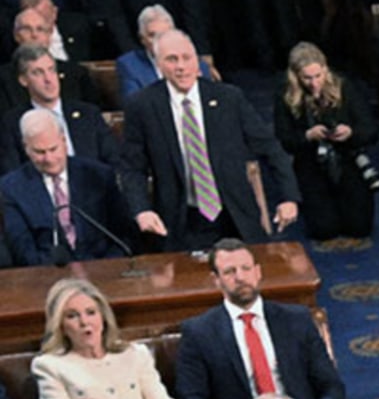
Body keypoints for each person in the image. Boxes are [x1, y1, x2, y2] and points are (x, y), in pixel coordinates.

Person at [118, 30, 297, 249]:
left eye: (187, 58)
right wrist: (141, 210)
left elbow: (270, 149)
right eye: (172, 59)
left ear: (197, 60)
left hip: (235, 214)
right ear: (159, 64)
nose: (181, 67)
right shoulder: (142, 106)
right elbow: (131, 168)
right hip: (179, 221)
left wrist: (288, 197)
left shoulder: (229, 98)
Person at [174, 241, 347, 399]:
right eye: (229, 272)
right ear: (216, 280)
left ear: (258, 272)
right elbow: (190, 395)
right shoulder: (199, 332)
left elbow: (330, 383)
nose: (240, 277)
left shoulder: (296, 319)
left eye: (246, 269)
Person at [31, 280, 184, 399]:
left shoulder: (135, 354)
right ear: (61, 326)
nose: (84, 322)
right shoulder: (50, 366)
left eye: (91, 313)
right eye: (72, 316)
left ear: (103, 317)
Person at [272, 43, 379, 243]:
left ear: (325, 70)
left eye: (318, 76)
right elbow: (283, 140)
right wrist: (307, 136)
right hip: (310, 165)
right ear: (296, 76)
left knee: (359, 227)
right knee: (324, 230)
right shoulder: (285, 97)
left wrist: (351, 133)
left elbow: (371, 130)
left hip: (348, 160)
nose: (314, 83)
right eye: (307, 78)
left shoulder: (345, 87)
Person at [2, 111, 129, 266]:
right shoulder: (11, 188)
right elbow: (23, 251)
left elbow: (123, 235)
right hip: (45, 276)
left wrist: (102, 267)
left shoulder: (98, 176)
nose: (49, 159)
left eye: (53, 149)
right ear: (26, 148)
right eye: (40, 152)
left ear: (64, 141)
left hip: (103, 270)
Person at [0, 45, 114, 175]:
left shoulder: (89, 114)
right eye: (38, 72)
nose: (48, 79)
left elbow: (114, 161)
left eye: (51, 70)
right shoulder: (12, 122)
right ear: (23, 80)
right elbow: (11, 174)